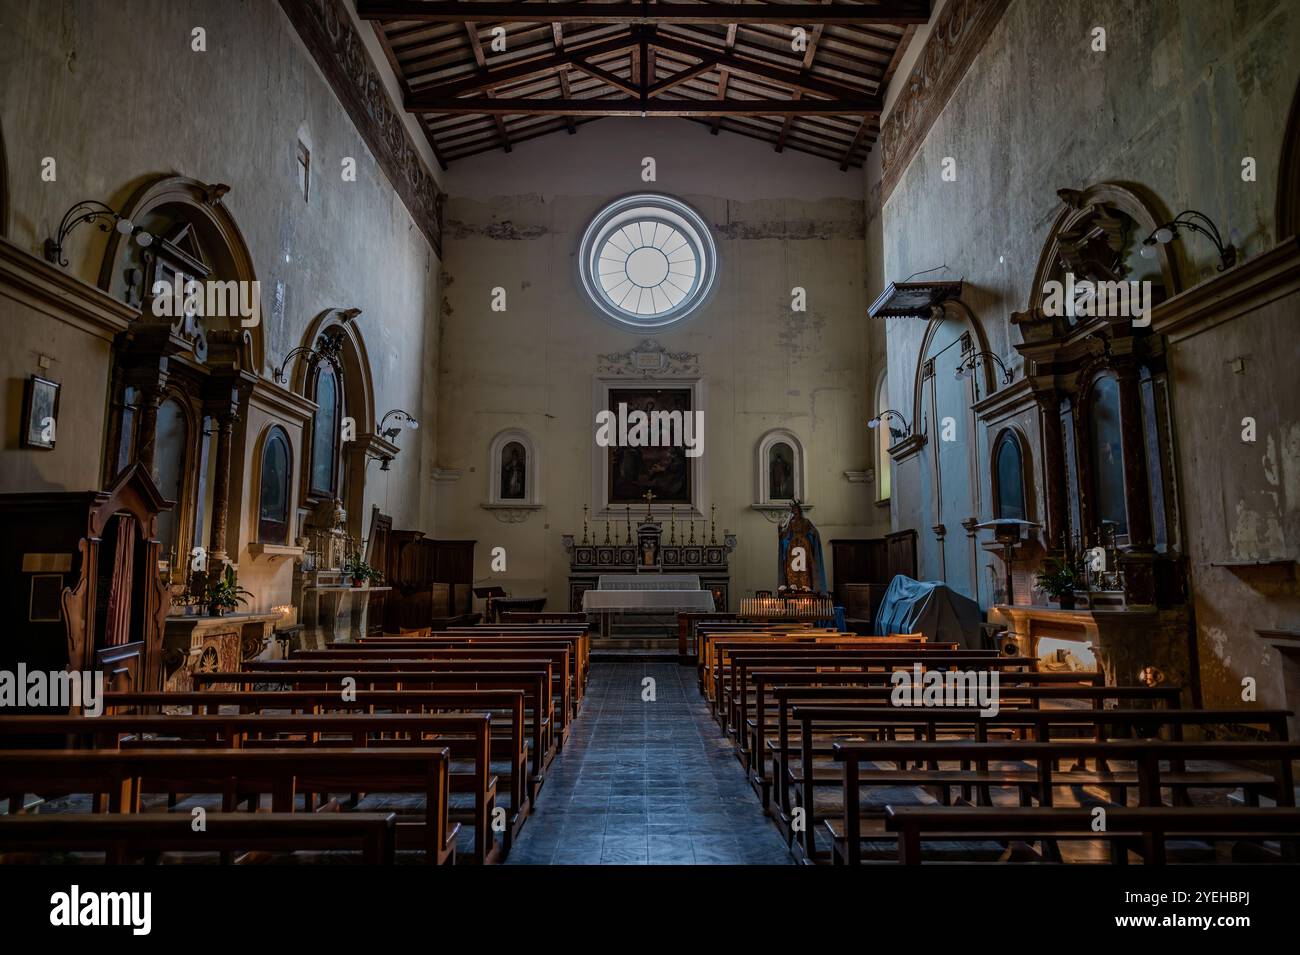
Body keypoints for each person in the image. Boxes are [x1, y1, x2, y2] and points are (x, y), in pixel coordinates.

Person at [777, 500, 827, 592]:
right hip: (793, 547)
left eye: (796, 510)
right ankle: (792, 586)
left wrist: (814, 536)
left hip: (804, 546)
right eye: (793, 510)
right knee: (790, 568)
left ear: (799, 510)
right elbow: (785, 535)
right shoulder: (791, 523)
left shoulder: (806, 522)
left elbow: (814, 532)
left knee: (807, 566)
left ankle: (807, 586)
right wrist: (780, 530)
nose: (794, 512)